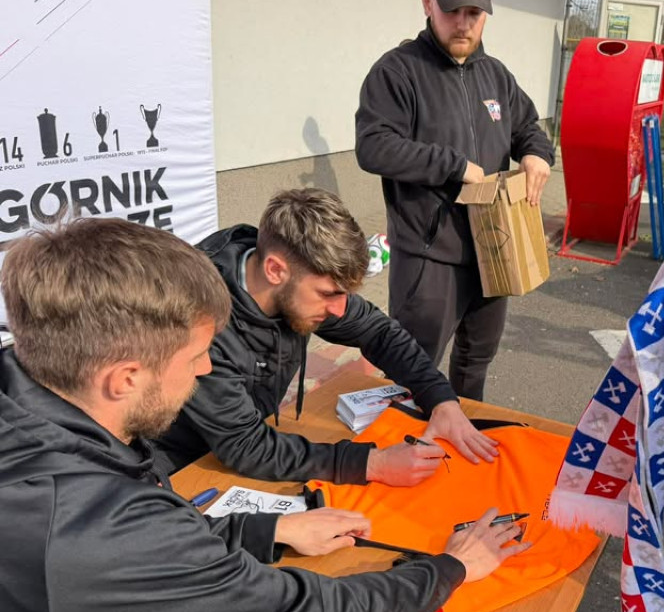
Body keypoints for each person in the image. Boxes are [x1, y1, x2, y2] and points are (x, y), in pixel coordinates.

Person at [0, 218, 527, 612]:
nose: (205, 370)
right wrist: (450, 570)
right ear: (124, 378)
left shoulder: (35, 406)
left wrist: (267, 530)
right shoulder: (94, 522)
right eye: (196, 358)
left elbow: (134, 550)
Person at [153, 187, 499, 486]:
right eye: (329, 293)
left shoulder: (294, 286)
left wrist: (440, 399)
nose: (338, 309)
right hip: (171, 468)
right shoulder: (199, 322)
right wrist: (372, 464)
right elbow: (245, 446)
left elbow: (379, 332)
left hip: (235, 448)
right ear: (275, 270)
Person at [355, 0, 556, 402]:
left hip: (494, 247)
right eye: (452, 11)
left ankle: (466, 441)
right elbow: (373, 146)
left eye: (474, 13)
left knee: (475, 360)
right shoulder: (397, 71)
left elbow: (528, 130)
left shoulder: (496, 75)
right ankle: (408, 453)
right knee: (415, 368)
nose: (463, 24)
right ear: (428, 3)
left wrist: (538, 156)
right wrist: (453, 164)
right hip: (430, 256)